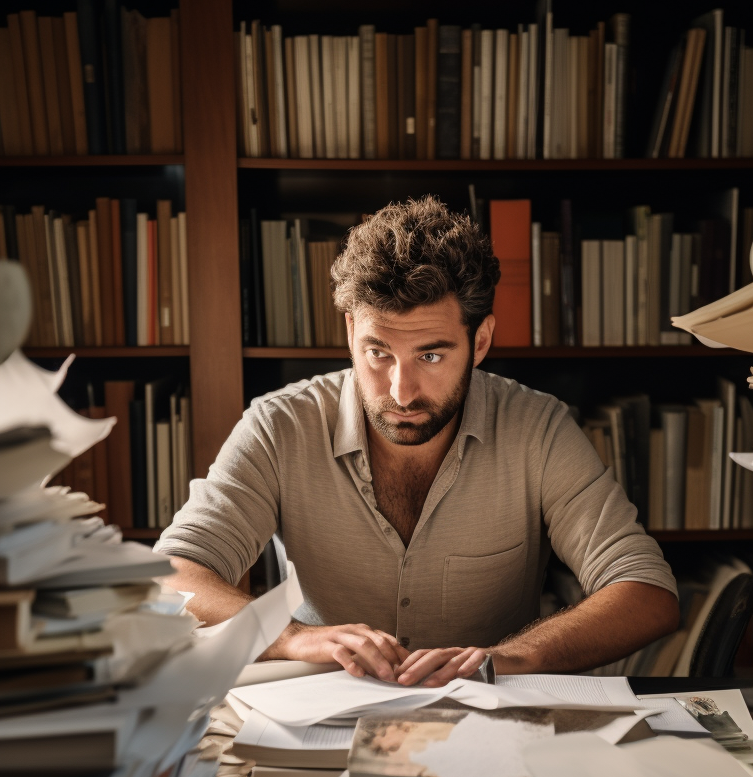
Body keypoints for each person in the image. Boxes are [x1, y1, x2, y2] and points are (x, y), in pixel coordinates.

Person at [155, 197, 678, 686]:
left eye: (430, 356)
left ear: (482, 342)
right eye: (378, 353)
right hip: (323, 709)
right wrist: (292, 639)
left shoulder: (537, 428)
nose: (400, 392)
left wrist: (514, 656)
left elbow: (646, 592)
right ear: (350, 334)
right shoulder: (278, 426)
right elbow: (171, 575)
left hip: (487, 711)